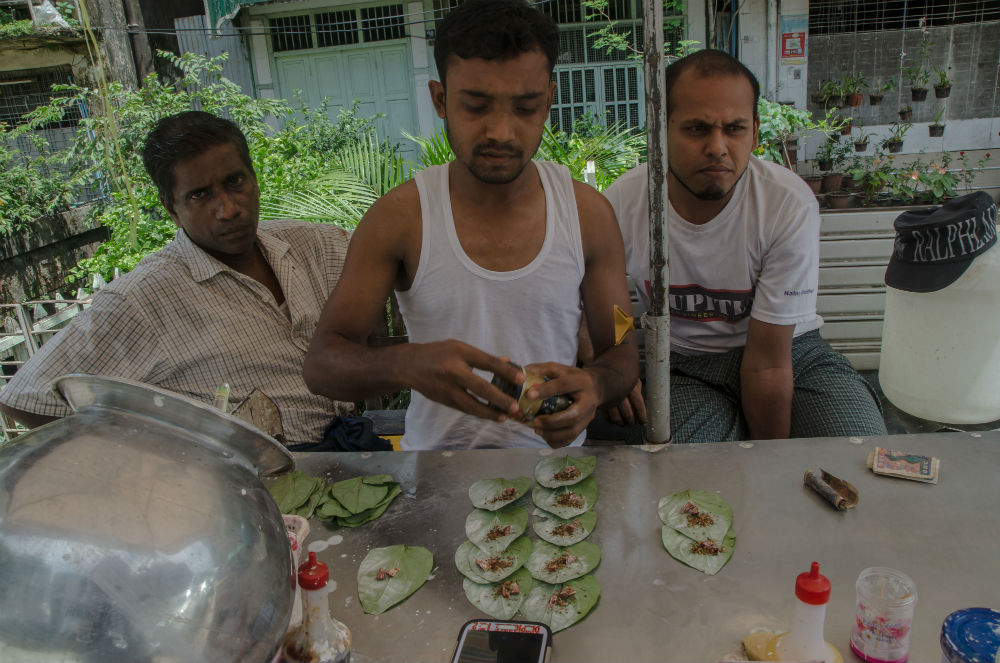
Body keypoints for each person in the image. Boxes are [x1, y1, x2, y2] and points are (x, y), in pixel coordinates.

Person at [303, 0, 638, 450]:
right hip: (436, 482)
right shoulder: (401, 219)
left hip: (557, 485)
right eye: (476, 106)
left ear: (549, 102)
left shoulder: (588, 215)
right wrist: (409, 365)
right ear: (440, 100)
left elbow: (622, 348)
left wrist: (595, 385)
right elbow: (322, 364)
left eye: (525, 107)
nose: (500, 131)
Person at [0, 111, 354, 445]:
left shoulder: (311, 244)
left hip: (351, 452)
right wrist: (152, 459)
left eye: (235, 182)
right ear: (172, 209)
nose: (229, 209)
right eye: (200, 195)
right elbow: (26, 396)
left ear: (254, 179)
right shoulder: (143, 298)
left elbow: (399, 259)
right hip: (250, 485)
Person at [603, 49, 886, 442]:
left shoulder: (785, 203)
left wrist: (771, 466)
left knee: (856, 453)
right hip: (684, 367)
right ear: (660, 130)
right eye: (697, 129)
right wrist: (616, 361)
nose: (718, 147)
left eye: (734, 129)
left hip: (792, 354)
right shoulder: (625, 202)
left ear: (755, 131)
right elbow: (612, 305)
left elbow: (768, 366)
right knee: (697, 479)